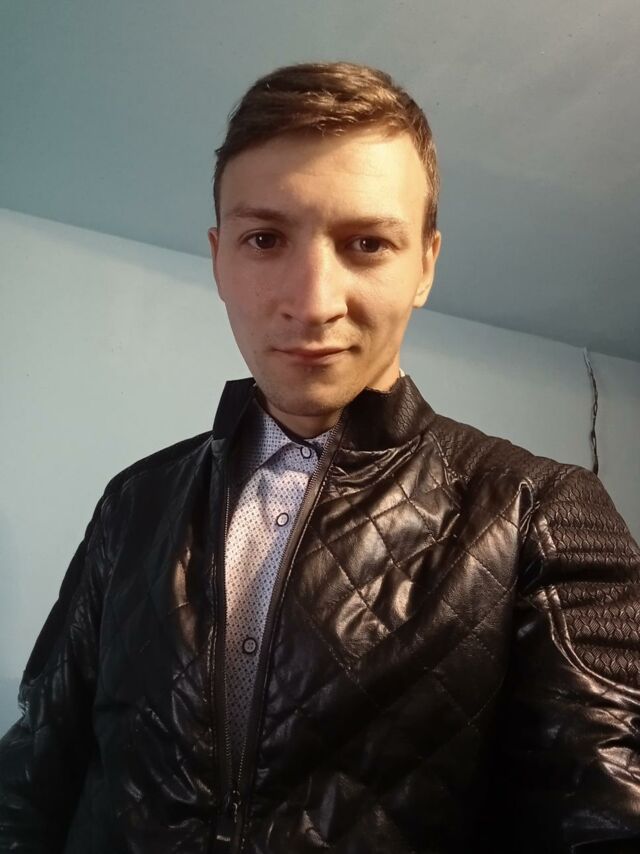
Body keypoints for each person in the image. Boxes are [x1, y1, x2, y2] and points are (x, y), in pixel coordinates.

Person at [1, 61, 639, 854]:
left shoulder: (539, 510)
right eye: (265, 239)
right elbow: (33, 780)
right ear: (219, 258)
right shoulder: (133, 502)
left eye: (367, 243)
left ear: (426, 264)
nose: (312, 302)